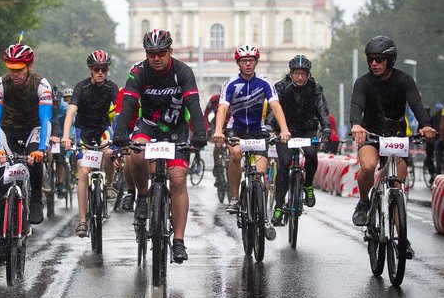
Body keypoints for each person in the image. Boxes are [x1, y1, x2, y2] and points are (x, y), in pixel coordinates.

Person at [113, 29, 207, 263]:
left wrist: (201, 134)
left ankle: (178, 241)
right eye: (151, 53)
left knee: (177, 179)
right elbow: (128, 105)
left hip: (176, 129)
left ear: (170, 52)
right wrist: (120, 133)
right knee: (136, 155)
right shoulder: (138, 72)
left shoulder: (182, 71)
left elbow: (193, 104)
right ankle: (143, 197)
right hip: (149, 127)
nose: (156, 58)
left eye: (161, 53)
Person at [350, 36, 436, 258]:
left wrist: (426, 125)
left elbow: (416, 105)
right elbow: (356, 104)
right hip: (371, 135)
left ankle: (403, 239)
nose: (374, 64)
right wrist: (356, 125)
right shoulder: (362, 82)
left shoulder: (405, 80)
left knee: (397, 185)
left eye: (379, 59)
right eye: (370, 59)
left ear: (391, 60)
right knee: (368, 167)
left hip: (396, 137)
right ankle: (364, 202)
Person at [212, 44, 290, 242]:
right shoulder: (230, 84)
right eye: (244, 61)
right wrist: (219, 131)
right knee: (236, 154)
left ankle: (263, 218)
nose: (248, 64)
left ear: (256, 62)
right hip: (236, 128)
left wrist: (284, 129)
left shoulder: (264, 82)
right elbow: (222, 109)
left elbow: (276, 106)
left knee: (261, 175)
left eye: (251, 61)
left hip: (257, 130)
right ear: (238, 63)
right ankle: (236, 197)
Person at [0, 44, 52, 263]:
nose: (14, 74)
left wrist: (42, 149)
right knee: (4, 183)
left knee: (34, 159)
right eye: (11, 69)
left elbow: (46, 120)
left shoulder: (41, 85)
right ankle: (2, 244)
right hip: (7, 130)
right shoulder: (0, 84)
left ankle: (35, 197)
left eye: (19, 69)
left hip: (33, 128)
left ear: (30, 67)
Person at [266, 55, 332, 226]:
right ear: (291, 73)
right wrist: (269, 127)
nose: (300, 77)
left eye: (304, 73)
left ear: (308, 74)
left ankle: (308, 185)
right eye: (297, 73)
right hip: (285, 132)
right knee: (284, 163)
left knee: (311, 154)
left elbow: (322, 109)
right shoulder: (281, 87)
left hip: (307, 130)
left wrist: (326, 128)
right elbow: (274, 108)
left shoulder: (315, 88)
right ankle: (279, 207)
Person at [61, 50, 119, 237]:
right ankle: (83, 221)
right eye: (96, 69)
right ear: (90, 70)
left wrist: (121, 136)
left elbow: (119, 113)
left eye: (104, 69)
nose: (100, 72)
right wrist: (65, 136)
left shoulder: (112, 88)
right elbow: (70, 112)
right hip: (83, 132)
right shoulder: (81, 87)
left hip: (102, 129)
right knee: (84, 171)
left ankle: (109, 185)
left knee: (110, 153)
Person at [46, 87, 69, 197]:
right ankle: (46, 176)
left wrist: (67, 137)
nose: (55, 105)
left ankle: (60, 183)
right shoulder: (46, 107)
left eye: (57, 102)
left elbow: (70, 124)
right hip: (47, 136)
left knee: (60, 158)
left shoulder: (65, 108)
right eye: (53, 102)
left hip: (61, 136)